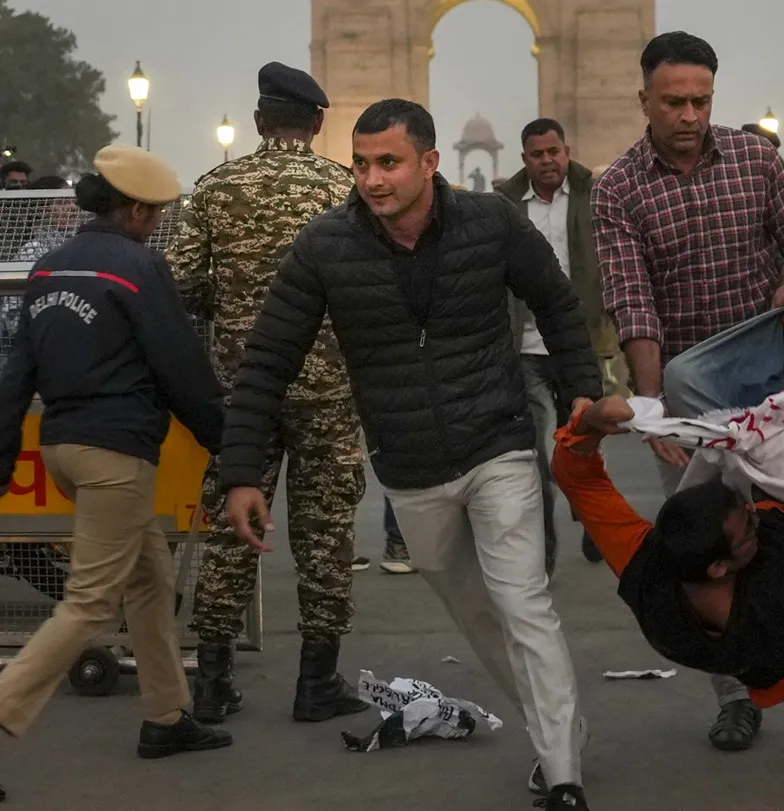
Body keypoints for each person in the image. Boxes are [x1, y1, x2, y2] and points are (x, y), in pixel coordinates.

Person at [218, 99, 599, 811]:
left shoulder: (493, 224)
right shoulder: (324, 245)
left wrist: (582, 392)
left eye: (388, 162)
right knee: (479, 617)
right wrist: (241, 469)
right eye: (361, 163)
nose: (370, 178)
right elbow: (267, 357)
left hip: (498, 443)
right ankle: (562, 728)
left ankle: (563, 770)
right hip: (411, 468)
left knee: (524, 603)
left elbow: (556, 301)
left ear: (430, 161)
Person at [591, 29, 784, 756]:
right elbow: (632, 299)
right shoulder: (618, 187)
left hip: (767, 386)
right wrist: (654, 410)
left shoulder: (755, 159)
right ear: (642, 99)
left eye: (701, 100)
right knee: (706, 547)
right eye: (673, 101)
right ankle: (735, 697)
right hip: (684, 394)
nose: (689, 114)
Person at [0, 146, 232, 785]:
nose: (158, 221)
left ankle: (166, 715)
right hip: (116, 451)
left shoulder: (47, 270)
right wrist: (233, 451)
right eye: (155, 212)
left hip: (61, 446)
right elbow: (182, 371)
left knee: (149, 580)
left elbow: (16, 376)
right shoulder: (139, 268)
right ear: (134, 210)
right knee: (90, 602)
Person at [167, 61, 368, 726]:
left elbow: (184, 286)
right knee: (325, 531)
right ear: (317, 123)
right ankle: (317, 680)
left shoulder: (216, 188)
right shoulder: (345, 190)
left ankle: (213, 682)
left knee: (231, 527)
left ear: (257, 122)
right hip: (326, 388)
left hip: (241, 391)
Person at [550, 394, 784, 718]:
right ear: (718, 567)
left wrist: (587, 426)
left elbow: (581, 483)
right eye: (749, 528)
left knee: (688, 380)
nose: (755, 515)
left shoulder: (649, 563)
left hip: (736, 634)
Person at [496, 117, 624, 575]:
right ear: (524, 158)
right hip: (526, 344)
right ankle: (543, 552)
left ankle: (591, 518)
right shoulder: (505, 204)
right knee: (540, 453)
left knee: (585, 439)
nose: (548, 161)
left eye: (555, 152)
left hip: (582, 341)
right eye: (537, 155)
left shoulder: (598, 194)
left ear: (565, 151)